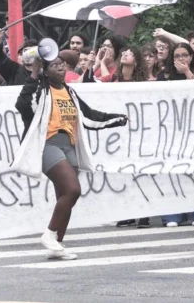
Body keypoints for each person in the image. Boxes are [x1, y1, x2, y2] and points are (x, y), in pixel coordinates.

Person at [14, 46, 128, 259]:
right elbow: (22, 105)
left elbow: (89, 115)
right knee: (73, 189)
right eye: (54, 65)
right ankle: (49, 234)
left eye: (62, 65)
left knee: (65, 195)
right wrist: (34, 74)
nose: (60, 68)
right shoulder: (41, 89)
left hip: (69, 144)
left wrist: (116, 118)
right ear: (45, 70)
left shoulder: (69, 91)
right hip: (48, 144)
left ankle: (57, 245)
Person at [112, 48, 150, 229]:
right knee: (124, 173)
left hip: (140, 132)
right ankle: (128, 212)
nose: (125, 54)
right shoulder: (115, 80)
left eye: (130, 53)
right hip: (120, 132)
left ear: (136, 61)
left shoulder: (144, 82)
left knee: (141, 173)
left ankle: (144, 214)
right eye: (124, 52)